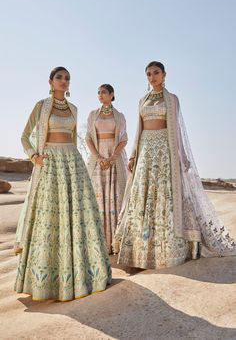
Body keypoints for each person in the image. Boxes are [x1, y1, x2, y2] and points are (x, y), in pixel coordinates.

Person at [114, 61, 236, 269]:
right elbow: (139, 129)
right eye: (149, 74)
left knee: (164, 194)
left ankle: (167, 247)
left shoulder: (172, 99)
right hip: (145, 151)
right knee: (143, 195)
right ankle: (141, 248)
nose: (152, 77)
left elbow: (176, 129)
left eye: (156, 73)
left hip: (164, 149)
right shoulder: (142, 100)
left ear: (164, 75)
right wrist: (134, 154)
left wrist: (181, 155)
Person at [14, 67, 111, 301]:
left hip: (72, 163)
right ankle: (46, 281)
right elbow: (25, 136)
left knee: (78, 216)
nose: (64, 81)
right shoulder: (41, 105)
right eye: (59, 77)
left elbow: (75, 138)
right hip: (49, 163)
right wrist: (33, 156)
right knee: (50, 219)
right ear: (50, 81)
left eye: (67, 78)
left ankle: (83, 275)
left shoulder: (74, 109)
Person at [86, 84, 128, 254]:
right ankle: (100, 243)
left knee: (116, 196)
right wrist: (99, 157)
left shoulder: (120, 116)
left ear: (112, 95)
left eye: (103, 92)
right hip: (98, 157)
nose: (100, 95)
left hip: (115, 157)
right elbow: (88, 137)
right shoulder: (92, 115)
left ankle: (116, 243)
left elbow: (124, 139)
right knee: (98, 197)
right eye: (98, 92)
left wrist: (112, 158)